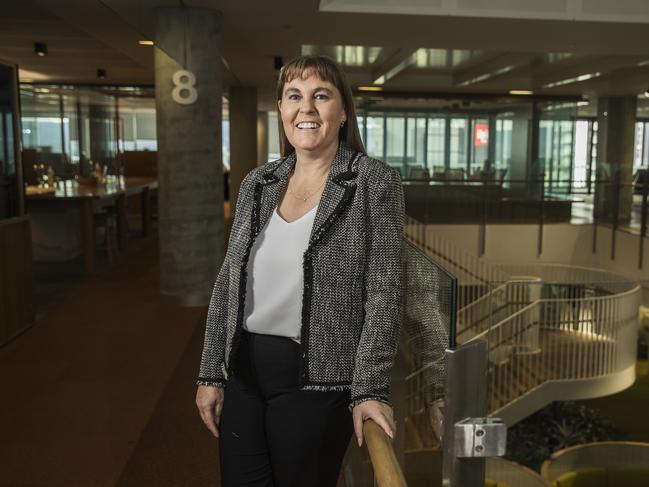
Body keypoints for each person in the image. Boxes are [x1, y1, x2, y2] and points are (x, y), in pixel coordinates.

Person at [195, 55, 405, 487]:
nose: (305, 109)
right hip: (245, 371)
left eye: (320, 96)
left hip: (318, 383)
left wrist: (369, 389)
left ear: (343, 111)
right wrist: (211, 372)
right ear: (281, 109)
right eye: (294, 96)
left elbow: (385, 294)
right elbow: (227, 282)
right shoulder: (259, 182)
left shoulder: (373, 182)